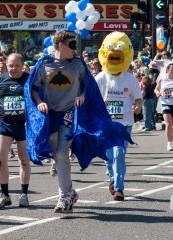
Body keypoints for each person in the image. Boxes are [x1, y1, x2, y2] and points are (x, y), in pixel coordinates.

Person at [25, 31, 133, 212]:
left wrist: (82, 95)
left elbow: (88, 85)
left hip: (69, 115)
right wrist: (39, 102)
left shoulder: (78, 64)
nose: (76, 49)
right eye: (72, 45)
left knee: (61, 152)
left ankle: (63, 197)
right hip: (50, 115)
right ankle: (70, 192)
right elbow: (33, 89)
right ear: (60, 45)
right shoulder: (44, 64)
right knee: (55, 152)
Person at [95, 40, 142, 201]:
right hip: (105, 124)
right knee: (108, 155)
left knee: (119, 153)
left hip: (124, 123)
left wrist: (137, 107)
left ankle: (119, 187)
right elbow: (92, 99)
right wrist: (101, 105)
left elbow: (138, 98)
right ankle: (112, 177)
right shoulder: (101, 77)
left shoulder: (130, 79)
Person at [0, 53, 31, 208]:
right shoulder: (0, 80)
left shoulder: (28, 80)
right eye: (10, 65)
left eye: (17, 66)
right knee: (0, 159)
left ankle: (24, 194)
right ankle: (4, 195)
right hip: (4, 125)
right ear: (6, 65)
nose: (13, 69)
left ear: (22, 65)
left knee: (24, 161)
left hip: (24, 126)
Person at [155, 61, 173, 151]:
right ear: (167, 70)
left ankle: (172, 134)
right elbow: (156, 90)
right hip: (165, 103)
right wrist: (158, 93)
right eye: (172, 69)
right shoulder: (162, 79)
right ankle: (169, 143)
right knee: (168, 124)